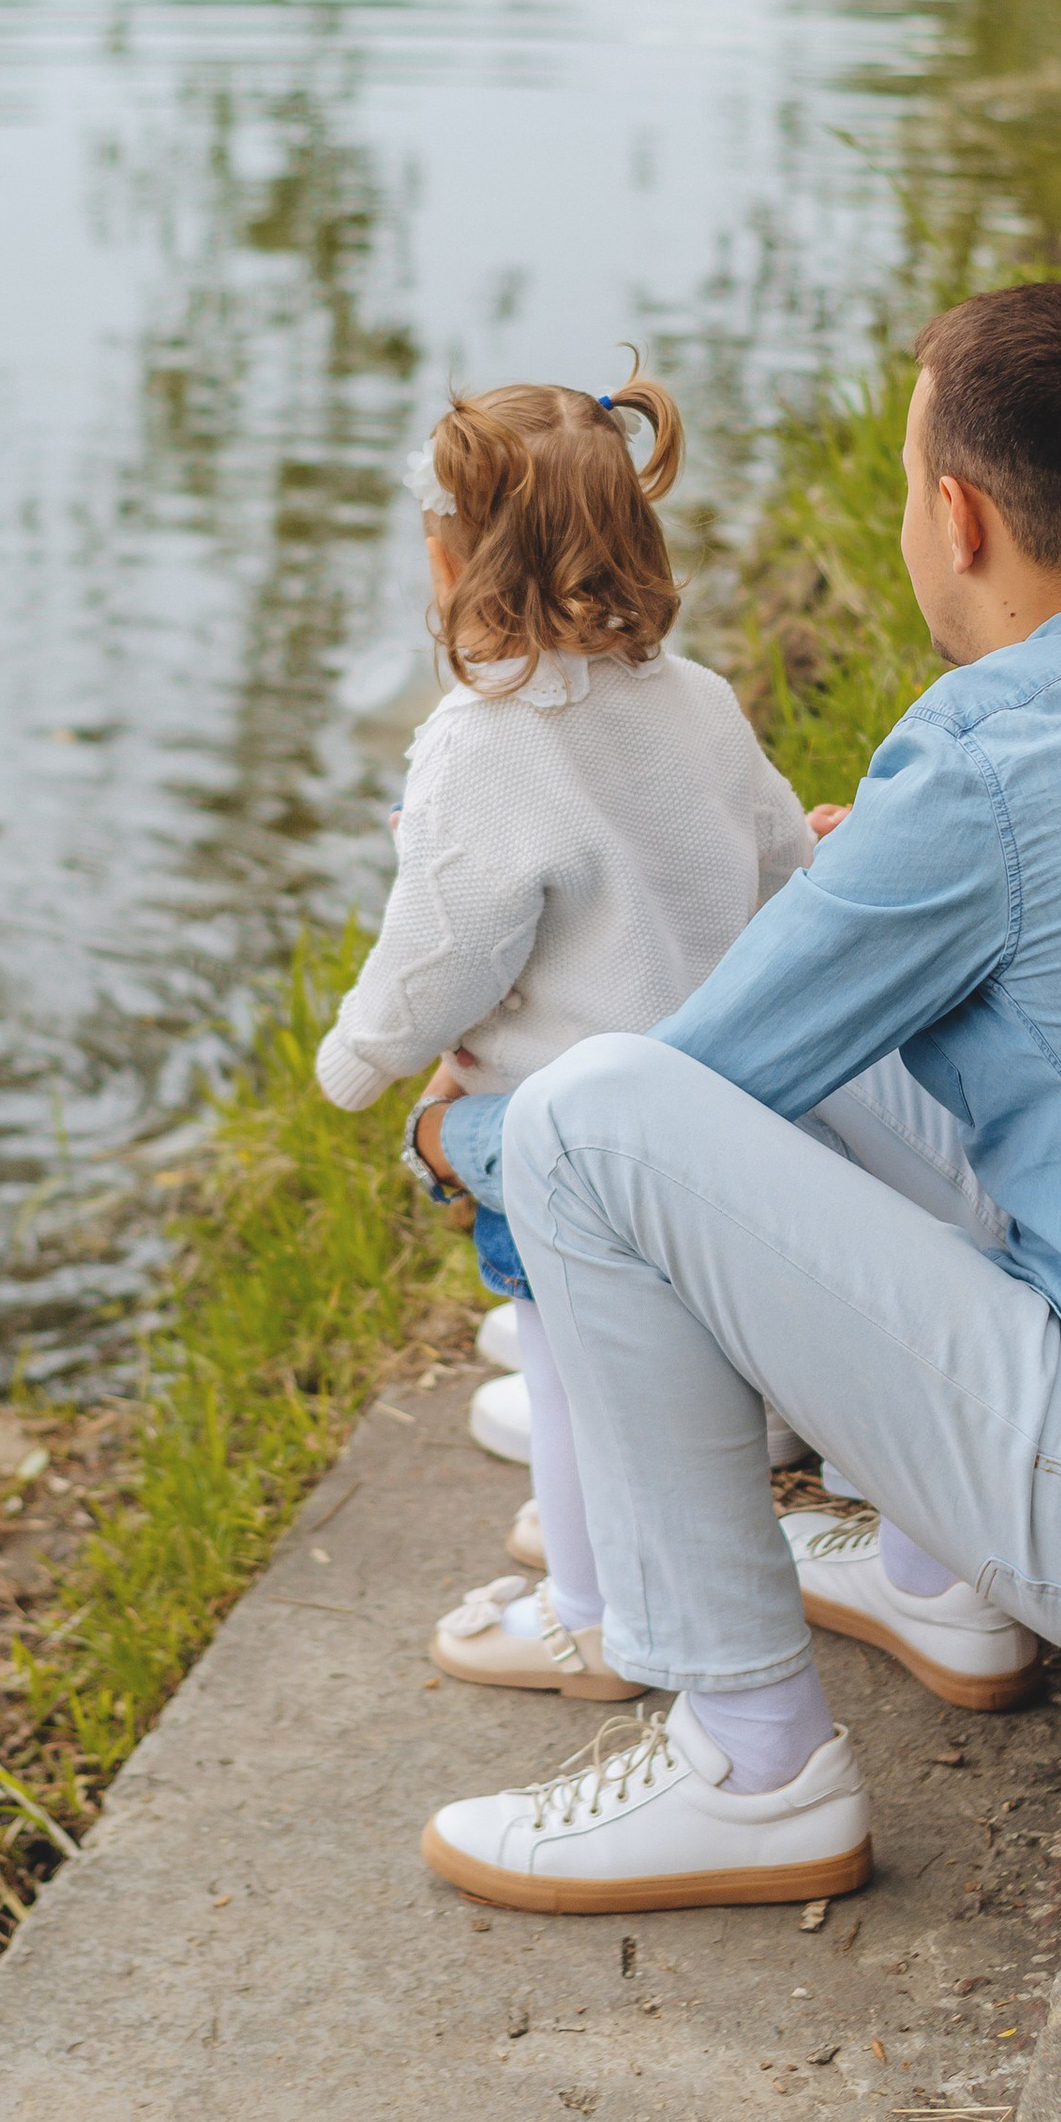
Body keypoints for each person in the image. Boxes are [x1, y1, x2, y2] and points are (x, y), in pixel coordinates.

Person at [410, 280, 1061, 1915]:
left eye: (911, 483)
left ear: (958, 517)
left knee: (581, 1120)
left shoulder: (983, 773)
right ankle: (935, 1579)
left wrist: (448, 1138)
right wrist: (864, 908)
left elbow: (661, 1109)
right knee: (825, 1021)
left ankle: (748, 1770)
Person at [314, 373, 815, 1702]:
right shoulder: (697, 699)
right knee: (678, 1336)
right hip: (725, 1108)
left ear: (449, 554)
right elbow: (776, 865)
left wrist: (358, 1060)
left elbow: (443, 948)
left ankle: (588, 1615)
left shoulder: (480, 747)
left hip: (572, 1142)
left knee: (574, 1365)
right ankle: (729, 1462)